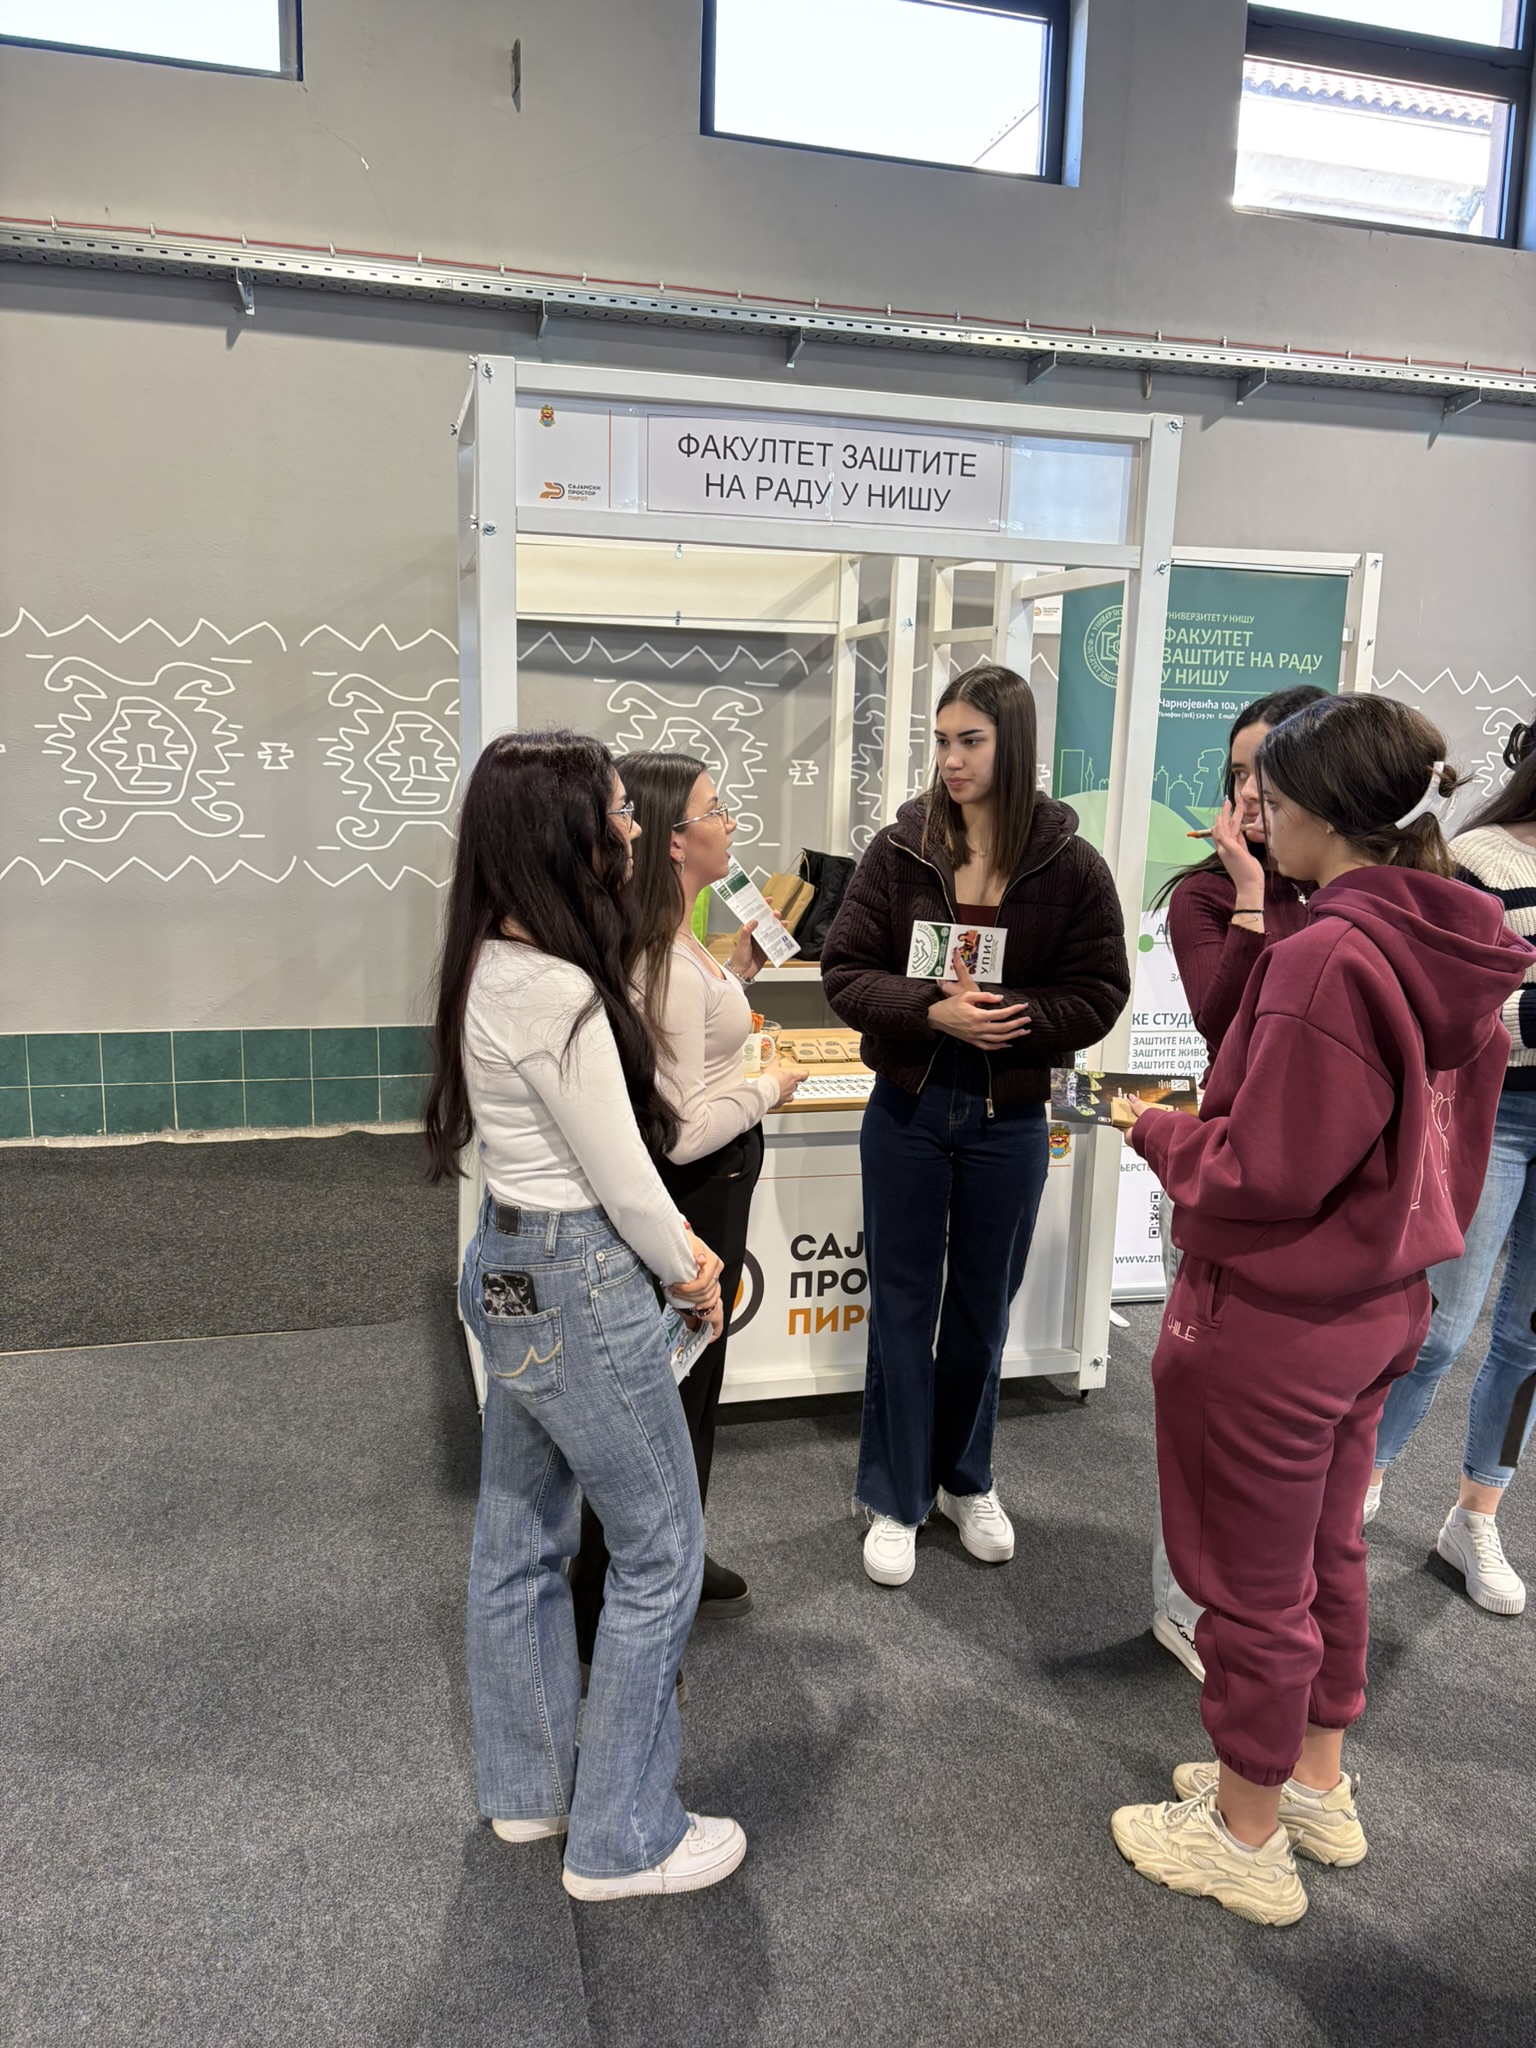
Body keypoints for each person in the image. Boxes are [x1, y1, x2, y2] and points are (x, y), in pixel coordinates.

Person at [1110, 695, 1532, 1926]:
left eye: (1275, 798)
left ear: (1326, 813)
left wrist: (1157, 1130)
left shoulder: (1325, 956)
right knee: (1325, 1549)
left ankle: (1244, 1834)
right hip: (1377, 1300)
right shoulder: (1454, 940)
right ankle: (1309, 1780)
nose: (1259, 817)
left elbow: (1265, 1167)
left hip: (1277, 1313)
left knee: (1250, 1575)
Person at [424, 729, 746, 1902]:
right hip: (581, 1275)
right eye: (615, 809)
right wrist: (691, 1269)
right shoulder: (559, 991)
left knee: (518, 1536)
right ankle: (624, 1834)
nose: (632, 826)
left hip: (508, 1262)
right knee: (662, 1549)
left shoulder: (486, 961)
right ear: (564, 830)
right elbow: (623, 1176)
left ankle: (533, 1790)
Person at [821, 663, 1130, 1587]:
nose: (951, 760)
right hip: (909, 1108)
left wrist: (1011, 1018)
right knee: (902, 1305)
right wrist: (932, 1011)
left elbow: (1100, 991)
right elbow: (846, 973)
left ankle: (965, 1478)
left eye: (971, 741)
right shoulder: (900, 850)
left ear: (1014, 744)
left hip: (1012, 1115)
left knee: (982, 1311)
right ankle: (895, 1494)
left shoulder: (1072, 865)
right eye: (942, 741)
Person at [571, 750, 806, 1650]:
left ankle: (677, 1551)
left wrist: (736, 973)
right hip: (697, 1189)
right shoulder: (659, 957)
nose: (729, 825)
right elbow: (680, 1128)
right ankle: (622, 1584)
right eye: (716, 810)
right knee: (670, 1387)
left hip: (713, 1187)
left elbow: (690, 1052)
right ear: (675, 840)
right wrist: (771, 1087)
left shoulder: (678, 942)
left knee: (694, 1381)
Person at [1149, 684, 1329, 1680]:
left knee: (1298, 1426)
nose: (1251, 794)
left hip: (1333, 1184)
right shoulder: (1207, 894)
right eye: (1236, 774)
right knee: (1205, 1393)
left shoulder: (1350, 888)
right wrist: (1252, 892)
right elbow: (1225, 1023)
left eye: (1269, 772)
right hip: (1236, 1170)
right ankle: (1188, 1605)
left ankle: (1271, 1611)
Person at [1366, 718, 1536, 1614]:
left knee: (1530, 1341)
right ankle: (1365, 1475)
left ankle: (1477, 1514)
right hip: (1495, 1111)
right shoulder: (1480, 859)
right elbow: (1450, 1003)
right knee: (1439, 1324)